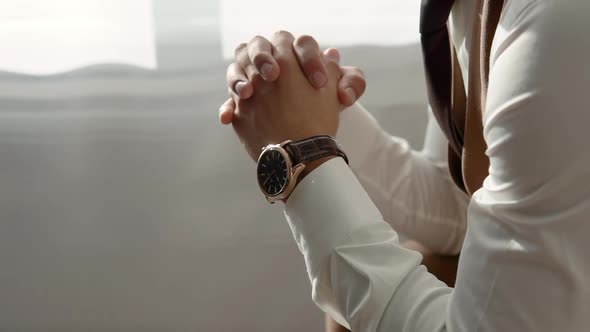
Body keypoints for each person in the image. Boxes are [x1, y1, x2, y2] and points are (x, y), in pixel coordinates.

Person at [218, 1, 590, 331]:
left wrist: (304, 153)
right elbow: (459, 206)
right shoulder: (462, 9)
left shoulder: (554, 24)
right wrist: (322, 115)